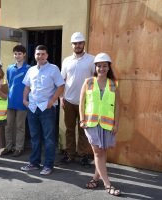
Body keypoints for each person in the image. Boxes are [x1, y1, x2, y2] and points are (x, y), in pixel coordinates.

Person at [79, 53, 120, 196]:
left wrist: (116, 123)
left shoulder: (113, 84)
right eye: (99, 66)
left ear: (109, 67)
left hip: (107, 124)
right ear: (95, 67)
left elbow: (117, 106)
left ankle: (95, 178)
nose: (101, 68)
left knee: (103, 152)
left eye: (104, 66)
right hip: (91, 123)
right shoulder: (89, 81)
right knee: (98, 152)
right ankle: (107, 184)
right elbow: (82, 102)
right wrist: (82, 119)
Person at [21, 45, 64, 175]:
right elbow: (27, 87)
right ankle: (34, 163)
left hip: (47, 108)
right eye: (38, 54)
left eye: (43, 54)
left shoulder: (53, 69)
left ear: (47, 55)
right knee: (35, 137)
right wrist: (24, 100)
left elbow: (61, 86)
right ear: (35, 55)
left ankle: (48, 165)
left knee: (49, 138)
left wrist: (52, 101)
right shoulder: (31, 70)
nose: (40, 56)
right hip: (33, 108)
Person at [60, 32, 95, 166]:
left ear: (84, 44)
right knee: (69, 129)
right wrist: (61, 97)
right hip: (68, 101)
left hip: (85, 102)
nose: (78, 45)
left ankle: (83, 155)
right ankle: (70, 154)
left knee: (84, 130)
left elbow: (95, 80)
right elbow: (61, 80)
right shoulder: (67, 61)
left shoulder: (91, 59)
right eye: (75, 43)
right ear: (72, 45)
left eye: (80, 43)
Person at [1, 45, 30, 157]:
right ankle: (8, 147)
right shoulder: (9, 68)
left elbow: (30, 86)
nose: (17, 56)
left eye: (19, 53)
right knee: (8, 126)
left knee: (20, 126)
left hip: (22, 102)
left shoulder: (28, 68)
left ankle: (19, 148)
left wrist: (26, 99)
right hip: (10, 101)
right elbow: (8, 84)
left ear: (24, 54)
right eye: (15, 54)